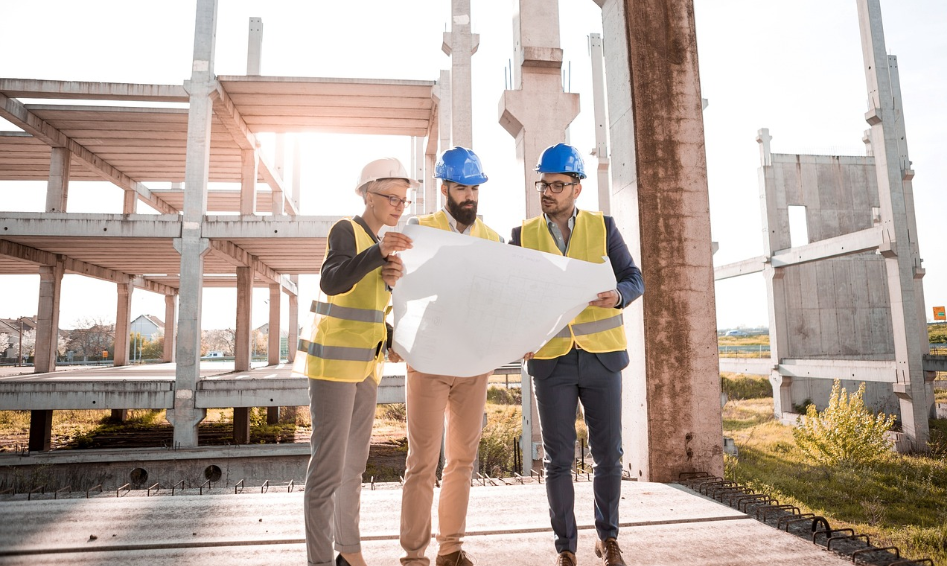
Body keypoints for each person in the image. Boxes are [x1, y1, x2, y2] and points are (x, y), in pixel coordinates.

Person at [510, 143, 644, 566]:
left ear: (576, 188)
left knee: (609, 455)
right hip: (552, 362)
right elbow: (511, 295)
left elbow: (634, 278)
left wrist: (618, 296)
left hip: (602, 357)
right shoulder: (522, 235)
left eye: (556, 184)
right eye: (542, 184)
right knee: (558, 460)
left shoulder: (603, 227)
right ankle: (566, 548)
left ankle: (608, 538)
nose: (547, 192)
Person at [294, 157, 416, 566]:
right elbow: (332, 280)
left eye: (404, 199)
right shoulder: (346, 230)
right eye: (391, 197)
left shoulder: (382, 243)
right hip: (333, 368)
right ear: (368, 194)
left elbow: (370, 311)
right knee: (327, 471)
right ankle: (320, 561)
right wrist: (377, 255)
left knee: (353, 467)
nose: (399, 205)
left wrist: (394, 330)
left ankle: (349, 552)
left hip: (366, 367)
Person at [399, 147, 503, 566]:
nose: (470, 197)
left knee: (461, 460)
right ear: (444, 188)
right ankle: (413, 555)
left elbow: (501, 300)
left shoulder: (493, 239)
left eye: (475, 189)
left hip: (474, 364)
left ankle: (451, 549)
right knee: (421, 461)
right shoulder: (419, 230)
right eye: (462, 188)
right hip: (428, 361)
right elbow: (399, 290)